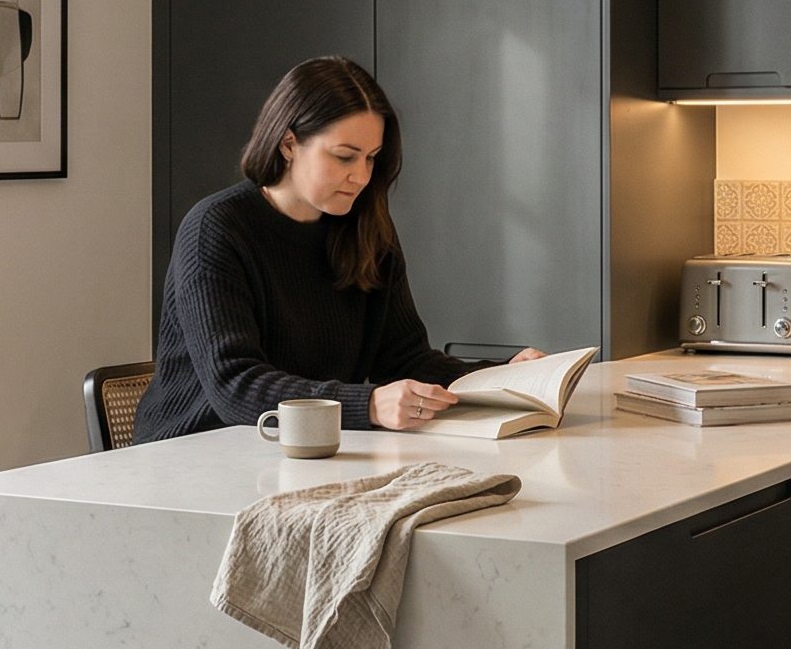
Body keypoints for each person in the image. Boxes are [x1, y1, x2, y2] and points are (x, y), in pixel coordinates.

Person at [132, 56, 541, 443]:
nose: (361, 176)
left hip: (305, 450)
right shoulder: (216, 229)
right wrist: (367, 405)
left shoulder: (366, 228)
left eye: (372, 159)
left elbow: (405, 359)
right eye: (344, 157)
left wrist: (503, 379)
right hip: (197, 453)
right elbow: (235, 386)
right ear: (289, 143)